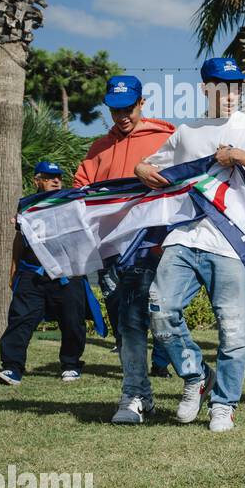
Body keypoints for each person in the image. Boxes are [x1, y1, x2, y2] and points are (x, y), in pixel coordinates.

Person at [133, 57, 245, 432]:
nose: (229, 94)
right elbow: (151, 167)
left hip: (232, 244)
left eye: (236, 86)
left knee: (234, 329)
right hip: (184, 237)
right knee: (159, 309)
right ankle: (196, 374)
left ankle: (224, 404)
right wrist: (141, 168)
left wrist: (238, 155)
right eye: (221, 86)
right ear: (205, 88)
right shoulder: (187, 131)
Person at [74, 75, 180, 400]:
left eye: (128, 109)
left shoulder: (167, 137)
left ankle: (185, 370)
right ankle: (135, 383)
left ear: (142, 103)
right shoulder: (99, 147)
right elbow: (80, 188)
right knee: (122, 316)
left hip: (153, 244)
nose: (122, 116)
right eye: (115, 110)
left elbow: (185, 180)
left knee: (161, 313)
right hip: (110, 249)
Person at [0, 162, 90, 386]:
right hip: (32, 274)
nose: (55, 180)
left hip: (67, 273)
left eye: (58, 177)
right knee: (20, 319)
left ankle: (71, 365)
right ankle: (12, 368)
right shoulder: (27, 205)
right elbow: (20, 238)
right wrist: (13, 268)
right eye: (48, 177)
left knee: (72, 321)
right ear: (37, 181)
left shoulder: (71, 201)